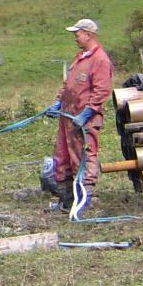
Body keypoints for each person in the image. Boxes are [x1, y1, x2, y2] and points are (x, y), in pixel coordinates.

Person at [44, 18, 114, 209]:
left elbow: (101, 91)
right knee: (63, 157)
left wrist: (87, 113)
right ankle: (67, 199)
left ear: (88, 34)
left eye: (78, 34)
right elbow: (69, 85)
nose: (75, 37)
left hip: (84, 121)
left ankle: (85, 198)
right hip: (67, 118)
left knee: (83, 157)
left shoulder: (100, 60)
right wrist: (59, 102)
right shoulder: (80, 57)